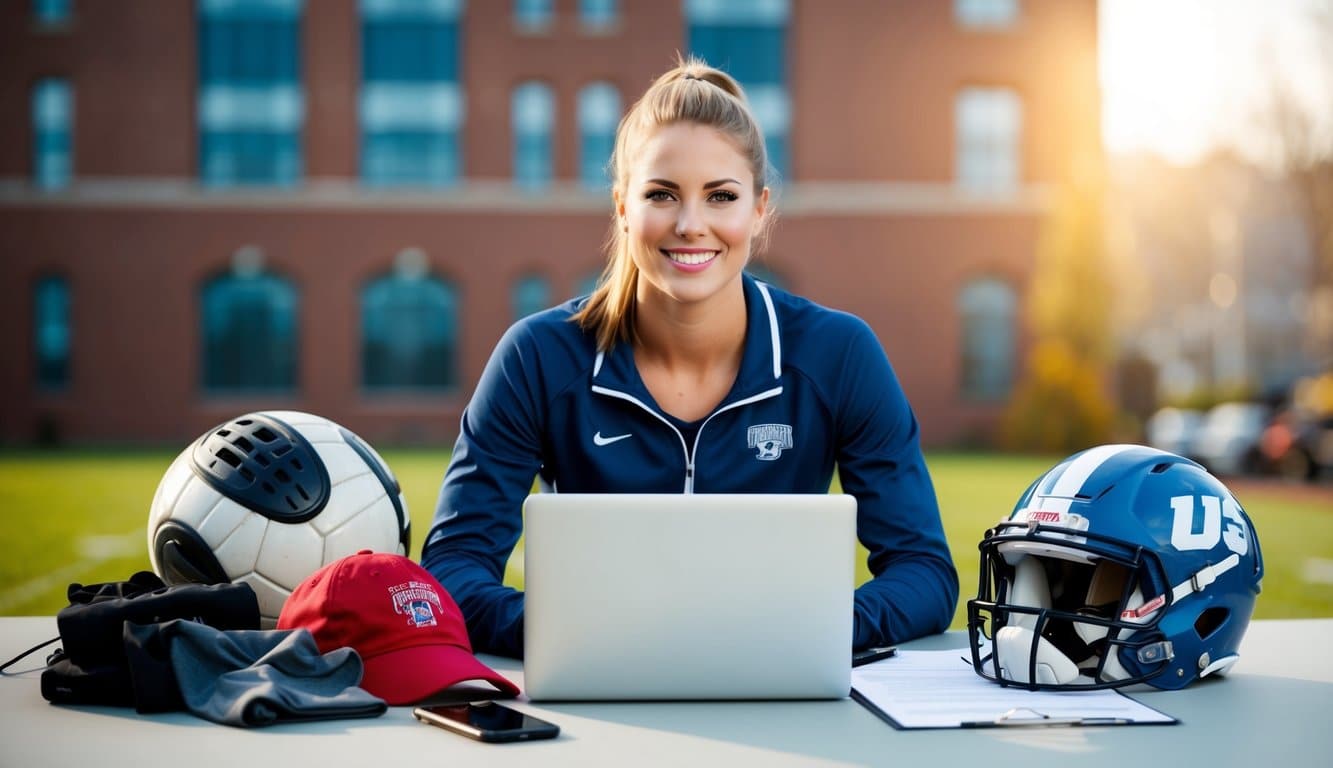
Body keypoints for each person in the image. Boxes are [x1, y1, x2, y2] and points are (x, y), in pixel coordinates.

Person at [421, 57, 958, 658]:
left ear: (759, 209)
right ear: (623, 207)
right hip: (598, 687)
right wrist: (565, 629)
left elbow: (924, 573)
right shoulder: (537, 357)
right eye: (662, 195)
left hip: (779, 686)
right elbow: (453, 569)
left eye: (721, 196)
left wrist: (814, 628)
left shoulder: (839, 354)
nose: (690, 224)